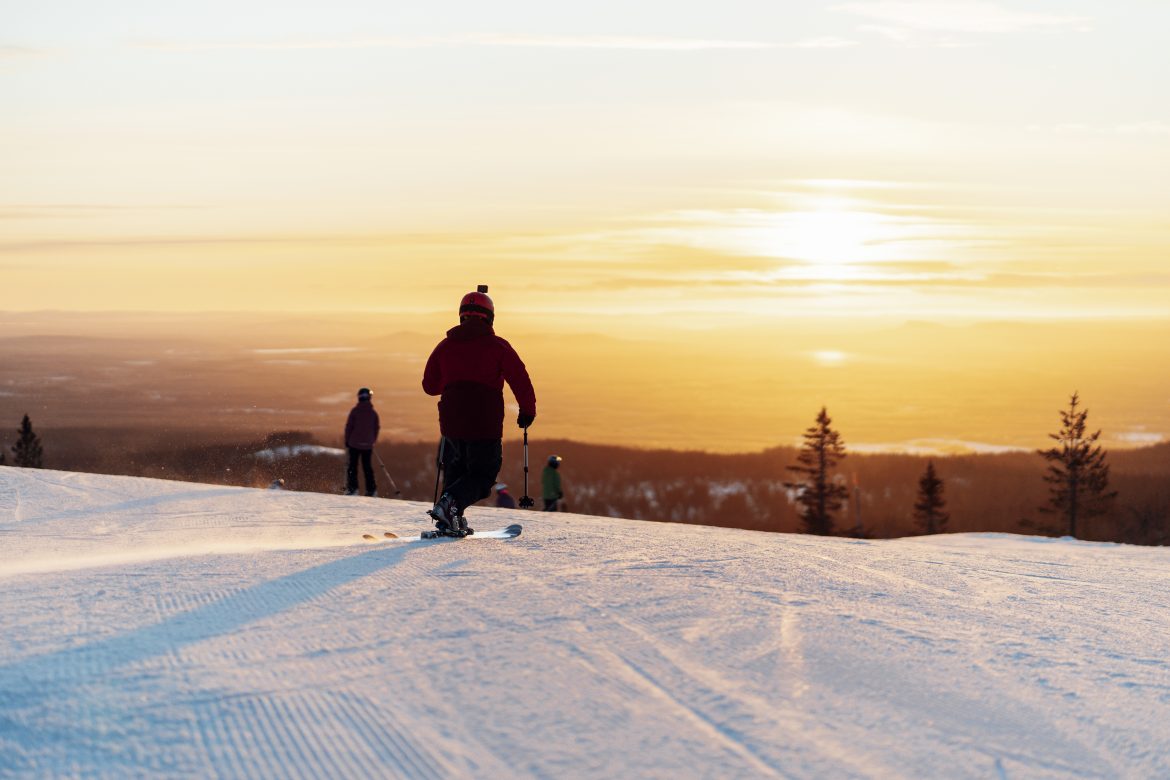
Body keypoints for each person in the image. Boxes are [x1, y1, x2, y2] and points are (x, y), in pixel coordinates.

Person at [422, 287, 536, 535]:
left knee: (457, 471)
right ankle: (450, 507)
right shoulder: (497, 346)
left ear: (462, 315)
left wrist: (455, 383)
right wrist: (527, 410)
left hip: (451, 422)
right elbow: (520, 378)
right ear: (490, 317)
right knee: (483, 475)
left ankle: (448, 518)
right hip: (484, 421)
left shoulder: (445, 346)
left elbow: (429, 386)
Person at [344, 387, 380, 497]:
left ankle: (352, 489)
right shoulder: (373, 413)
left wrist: (347, 441)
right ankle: (371, 490)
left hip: (354, 443)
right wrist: (372, 441)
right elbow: (376, 428)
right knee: (367, 467)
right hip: (368, 445)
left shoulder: (355, 411)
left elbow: (349, 427)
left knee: (352, 466)